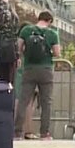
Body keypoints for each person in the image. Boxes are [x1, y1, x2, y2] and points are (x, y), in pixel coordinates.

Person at [15, 11, 62, 140]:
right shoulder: (52, 33)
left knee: (24, 101)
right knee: (46, 102)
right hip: (46, 69)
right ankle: (44, 133)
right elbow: (57, 53)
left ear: (38, 18)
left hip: (29, 68)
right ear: (50, 21)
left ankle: (17, 132)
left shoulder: (26, 30)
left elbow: (18, 48)